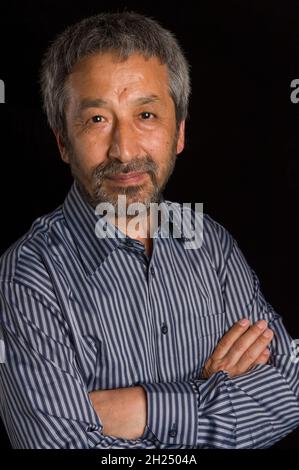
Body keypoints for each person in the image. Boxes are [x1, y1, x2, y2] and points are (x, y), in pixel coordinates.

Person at [0, 11, 298, 450]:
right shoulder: (27, 276)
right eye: (97, 119)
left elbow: (289, 392)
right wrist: (213, 397)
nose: (124, 150)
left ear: (178, 133)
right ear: (63, 140)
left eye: (146, 114)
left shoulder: (212, 245)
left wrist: (139, 407)